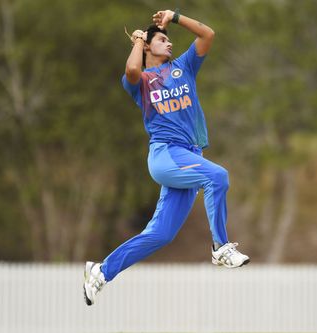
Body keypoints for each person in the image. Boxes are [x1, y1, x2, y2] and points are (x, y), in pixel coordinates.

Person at [83, 9, 249, 306]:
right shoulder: (142, 81)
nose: (169, 44)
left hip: (188, 156)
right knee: (218, 176)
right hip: (166, 154)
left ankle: (101, 271)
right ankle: (220, 246)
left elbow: (207, 34)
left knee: (161, 234)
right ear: (147, 46)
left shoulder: (183, 66)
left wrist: (174, 17)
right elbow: (131, 72)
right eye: (161, 40)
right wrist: (138, 39)